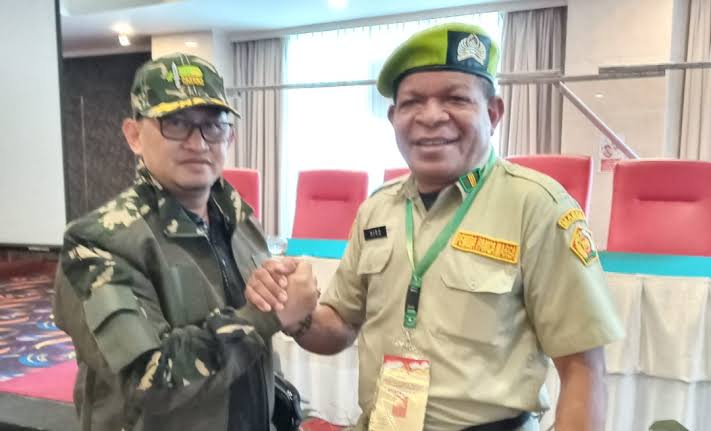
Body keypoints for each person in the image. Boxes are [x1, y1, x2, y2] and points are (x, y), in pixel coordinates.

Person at [246, 23, 624, 431]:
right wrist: (297, 315)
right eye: (412, 102)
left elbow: (583, 368)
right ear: (393, 117)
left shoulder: (538, 206)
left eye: (455, 98)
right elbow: (340, 325)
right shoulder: (377, 209)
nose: (430, 117)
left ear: (493, 113)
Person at [53, 53, 317, 431]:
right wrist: (268, 316)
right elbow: (148, 380)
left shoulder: (240, 221)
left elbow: (255, 350)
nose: (197, 143)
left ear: (229, 136)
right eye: (175, 123)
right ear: (134, 135)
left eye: (212, 125)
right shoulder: (98, 241)